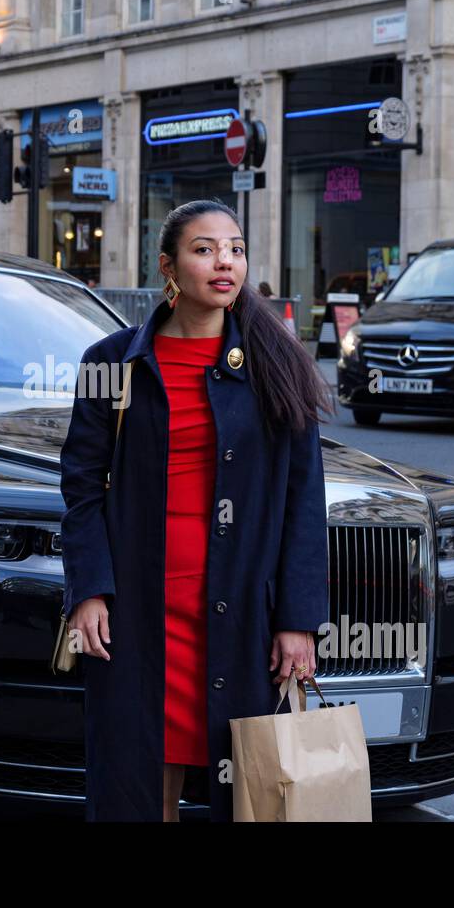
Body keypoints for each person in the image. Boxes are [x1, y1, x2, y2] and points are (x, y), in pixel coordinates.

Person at [58, 197, 333, 822]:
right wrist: (89, 589)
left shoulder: (276, 363)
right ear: (169, 268)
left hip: (238, 612)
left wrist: (298, 619)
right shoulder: (111, 363)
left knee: (249, 789)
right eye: (204, 249)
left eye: (235, 249)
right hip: (138, 610)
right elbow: (80, 485)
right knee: (136, 782)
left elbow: (303, 498)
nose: (224, 262)